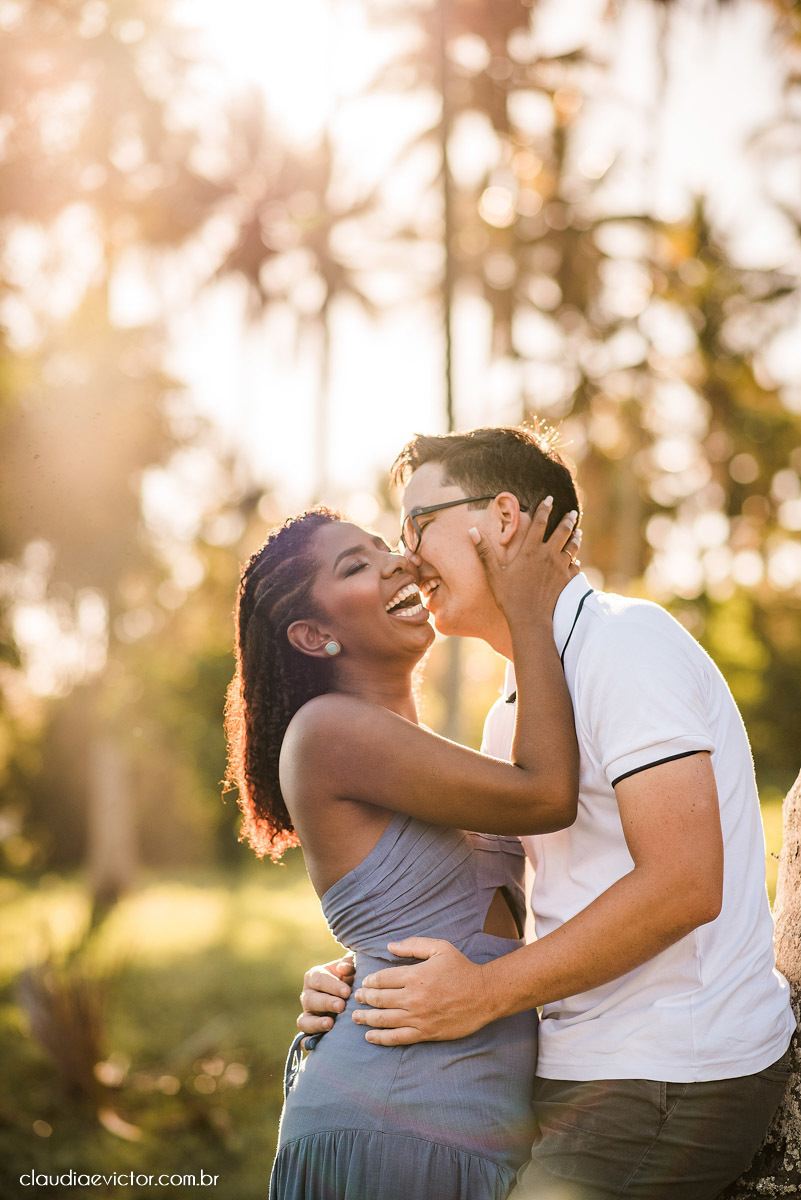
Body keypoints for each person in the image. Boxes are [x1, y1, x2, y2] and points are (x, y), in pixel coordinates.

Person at [299, 425, 795, 1200]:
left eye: (418, 525)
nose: (406, 558)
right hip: (579, 1066)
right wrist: (366, 970)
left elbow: (686, 882)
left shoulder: (625, 644)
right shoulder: (518, 712)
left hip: (668, 1070)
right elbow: (504, 900)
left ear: (501, 519)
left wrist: (484, 994)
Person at [223, 501, 583, 1200]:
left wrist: (356, 967)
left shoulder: (420, 749)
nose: (395, 560)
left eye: (385, 545)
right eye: (355, 565)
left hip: (463, 1122)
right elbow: (545, 794)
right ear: (312, 633)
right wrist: (529, 609)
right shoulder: (329, 729)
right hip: (392, 1127)